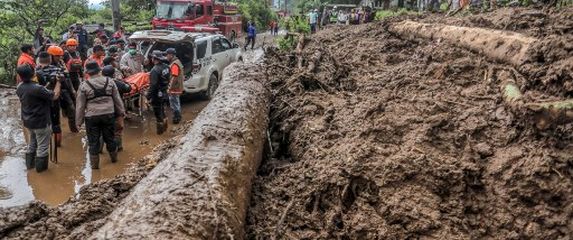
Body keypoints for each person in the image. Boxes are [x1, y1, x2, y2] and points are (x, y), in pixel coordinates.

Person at [76, 61, 125, 169]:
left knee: (93, 142)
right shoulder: (110, 81)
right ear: (99, 70)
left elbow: (80, 105)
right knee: (110, 138)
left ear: (87, 72)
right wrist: (121, 112)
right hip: (109, 114)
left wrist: (78, 122)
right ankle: (114, 161)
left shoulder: (84, 85)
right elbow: (117, 99)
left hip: (92, 117)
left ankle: (95, 168)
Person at [17, 64, 61, 172]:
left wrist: (47, 85)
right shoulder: (37, 88)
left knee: (32, 144)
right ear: (33, 74)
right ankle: (41, 172)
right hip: (41, 122)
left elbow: (37, 92)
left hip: (28, 122)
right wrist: (59, 82)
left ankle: (30, 167)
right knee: (42, 147)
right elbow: (55, 95)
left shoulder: (19, 87)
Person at [35, 52, 64, 147]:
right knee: (56, 123)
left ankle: (41, 144)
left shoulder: (34, 72)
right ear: (50, 59)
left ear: (39, 60)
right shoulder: (58, 70)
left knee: (41, 123)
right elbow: (64, 85)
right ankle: (57, 145)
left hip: (39, 102)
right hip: (54, 100)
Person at [48, 45, 79, 133]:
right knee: (55, 113)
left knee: (72, 109)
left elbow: (67, 77)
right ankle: (57, 133)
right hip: (53, 92)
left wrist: (72, 90)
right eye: (57, 56)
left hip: (64, 89)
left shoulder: (61, 63)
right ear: (51, 56)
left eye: (60, 56)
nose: (60, 57)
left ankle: (74, 130)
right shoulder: (47, 67)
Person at [102, 65, 130, 152]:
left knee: (103, 130)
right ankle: (118, 148)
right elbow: (128, 88)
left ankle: (99, 150)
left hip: (103, 111)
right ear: (113, 74)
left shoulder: (97, 83)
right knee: (118, 131)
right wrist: (125, 82)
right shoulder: (118, 83)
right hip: (116, 110)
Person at [147, 51, 170, 134]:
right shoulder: (166, 67)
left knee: (158, 113)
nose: (151, 59)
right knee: (163, 110)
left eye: (152, 57)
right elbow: (168, 78)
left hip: (157, 94)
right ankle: (165, 127)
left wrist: (148, 96)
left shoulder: (155, 70)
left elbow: (153, 86)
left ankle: (160, 133)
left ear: (154, 59)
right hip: (165, 91)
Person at [165, 48, 184, 124]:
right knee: (176, 102)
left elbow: (174, 77)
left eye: (167, 55)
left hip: (174, 88)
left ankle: (176, 118)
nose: (166, 56)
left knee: (174, 104)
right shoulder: (178, 62)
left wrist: (169, 88)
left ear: (171, 55)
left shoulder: (174, 65)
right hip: (177, 87)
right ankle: (178, 117)